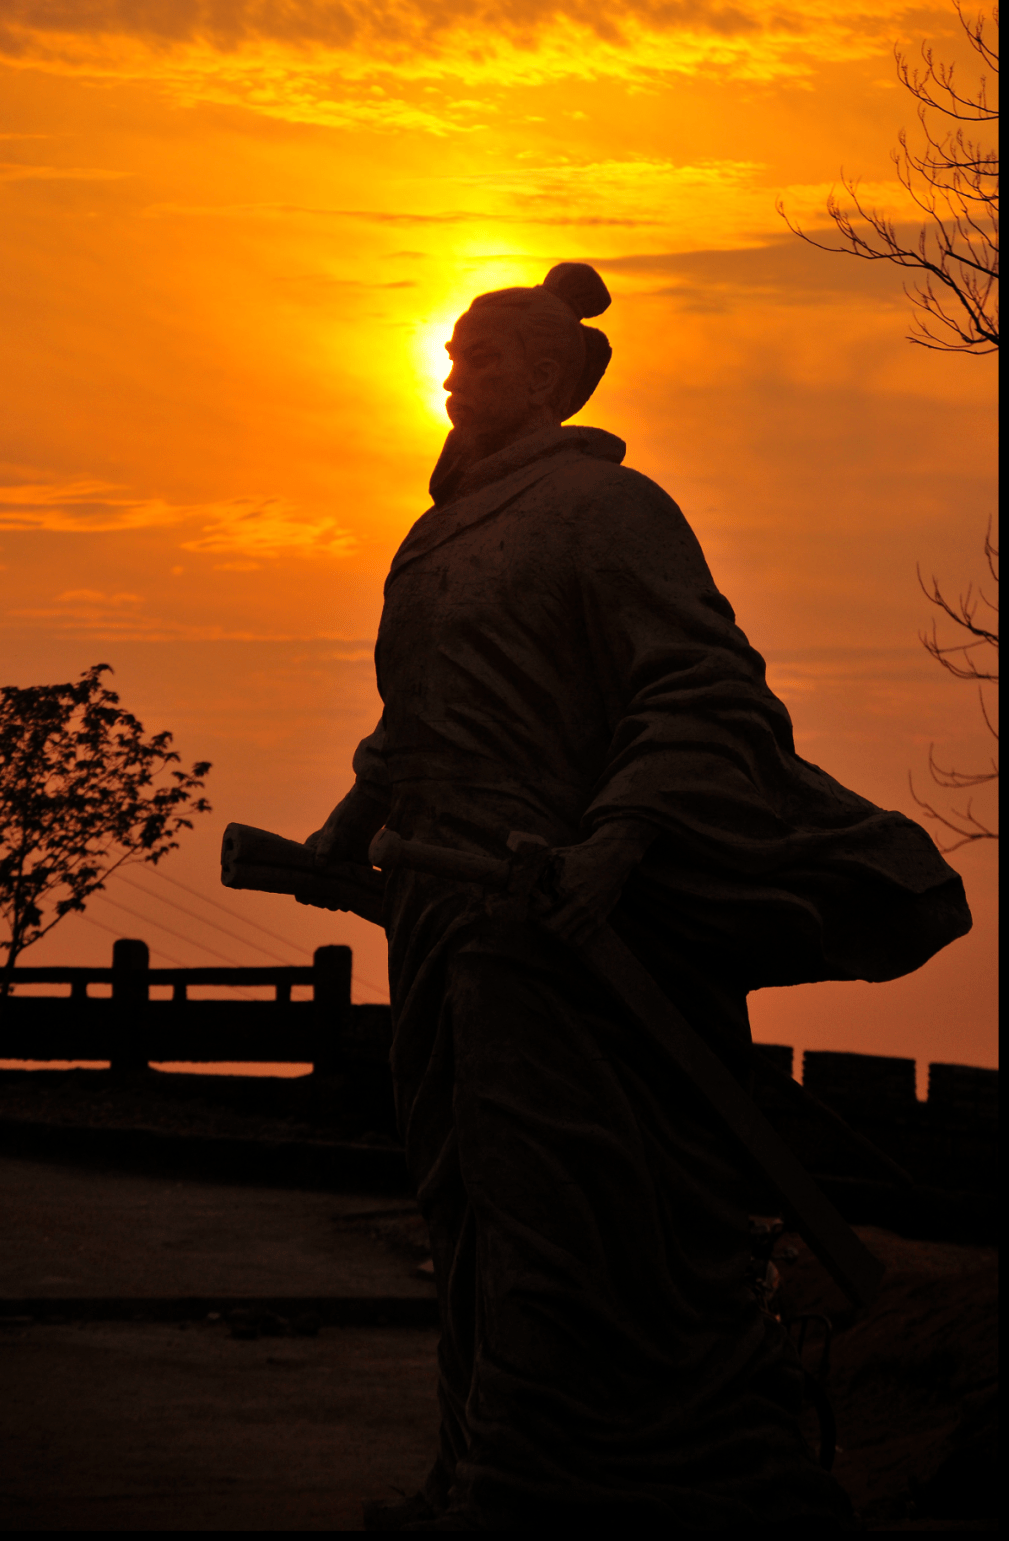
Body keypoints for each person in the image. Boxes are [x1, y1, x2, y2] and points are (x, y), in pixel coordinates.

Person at [306, 263, 971, 1531]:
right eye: (450, 356)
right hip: (448, 919)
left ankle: (586, 1475)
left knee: (575, 1197)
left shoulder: (606, 508)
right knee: (468, 1189)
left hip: (559, 920)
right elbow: (415, 723)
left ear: (555, 376)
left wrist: (621, 837)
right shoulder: (434, 536)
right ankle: (482, 1456)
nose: (455, 379)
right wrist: (350, 826)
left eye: (486, 358)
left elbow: (703, 688)